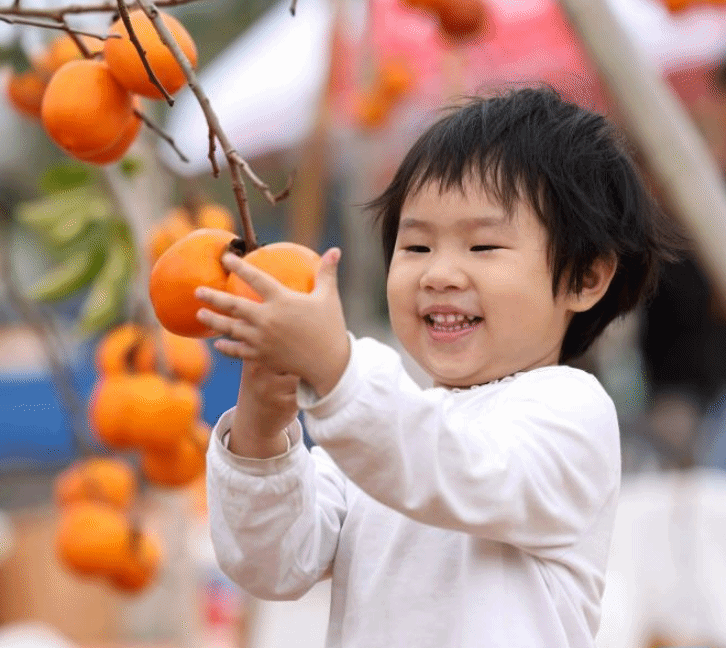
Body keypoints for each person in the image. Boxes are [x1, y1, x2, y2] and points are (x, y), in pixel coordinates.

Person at [192, 86, 683, 647]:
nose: (439, 274)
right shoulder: (381, 433)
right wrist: (263, 418)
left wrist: (335, 369)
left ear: (584, 278)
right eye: (417, 247)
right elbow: (271, 562)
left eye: (483, 247)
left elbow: (453, 467)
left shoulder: (570, 411)